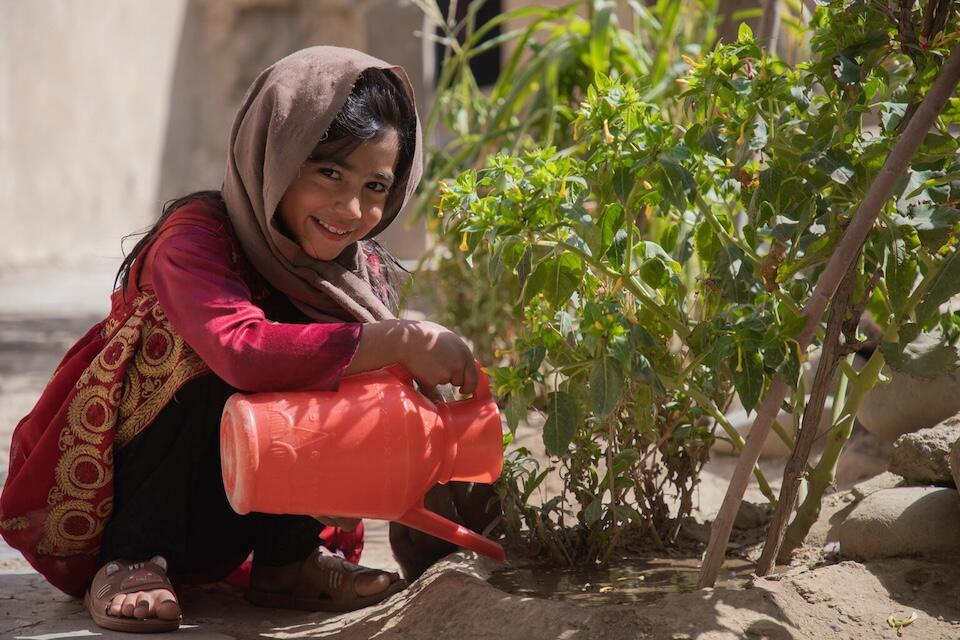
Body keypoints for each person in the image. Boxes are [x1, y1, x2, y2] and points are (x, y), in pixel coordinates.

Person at [0, 46, 485, 633]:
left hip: (247, 504)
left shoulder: (356, 271)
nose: (352, 208)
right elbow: (241, 349)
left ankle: (287, 561)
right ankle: (131, 559)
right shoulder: (196, 238)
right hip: (135, 499)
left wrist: (370, 459)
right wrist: (398, 340)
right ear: (276, 155)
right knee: (201, 347)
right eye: (329, 172)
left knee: (352, 359)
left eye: (376, 186)